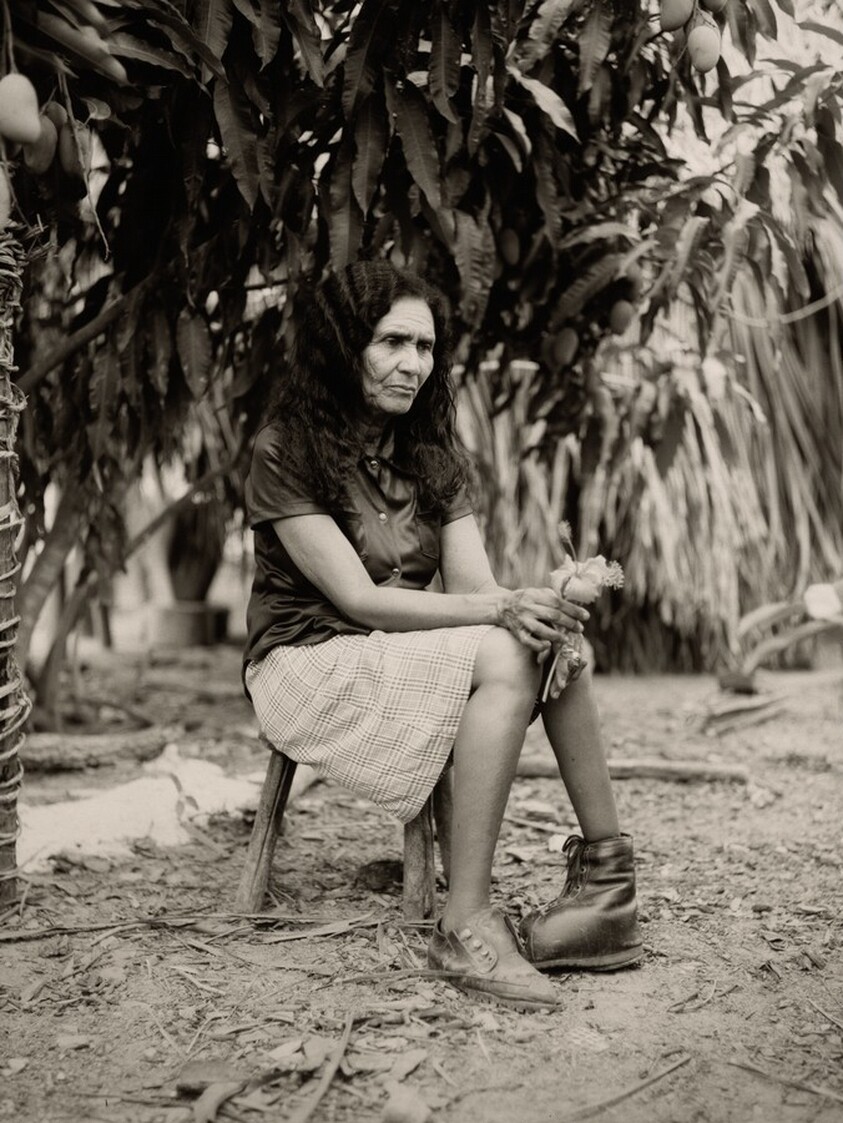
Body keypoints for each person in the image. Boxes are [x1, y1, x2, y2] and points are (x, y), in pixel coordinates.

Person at [243, 260, 642, 1011]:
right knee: (506, 638)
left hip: (393, 657)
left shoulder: (432, 458)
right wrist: (501, 612)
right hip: (303, 665)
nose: (412, 364)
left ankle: (608, 885)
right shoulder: (283, 450)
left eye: (424, 347)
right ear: (342, 344)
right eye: (392, 341)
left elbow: (475, 593)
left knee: (553, 641)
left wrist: (539, 603)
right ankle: (464, 921)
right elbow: (358, 599)